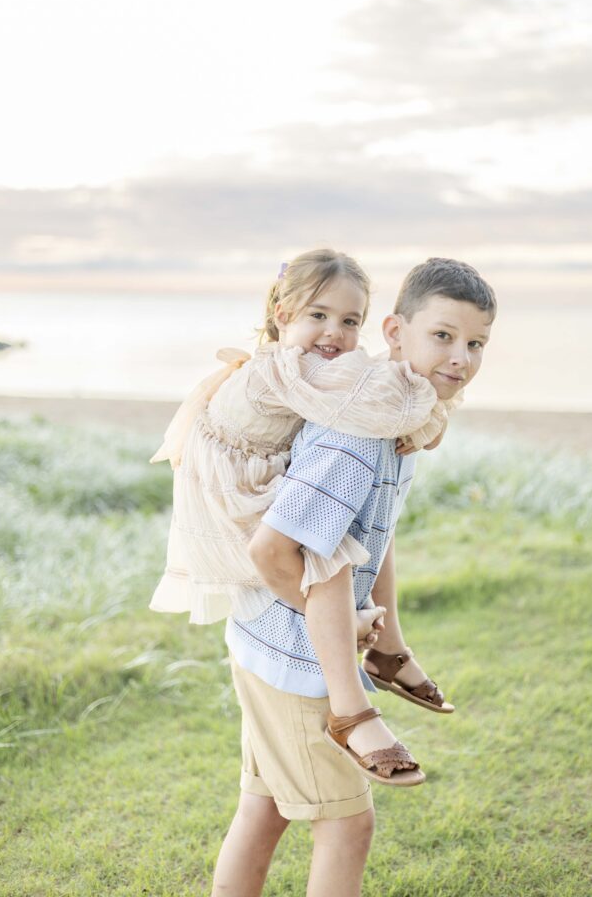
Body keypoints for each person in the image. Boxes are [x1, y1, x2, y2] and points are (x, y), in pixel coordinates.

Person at [211, 256, 496, 897]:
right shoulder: (360, 434)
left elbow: (375, 534)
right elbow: (272, 551)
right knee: (347, 826)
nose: (461, 357)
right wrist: (349, 622)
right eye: (443, 336)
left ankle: (388, 660)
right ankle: (356, 709)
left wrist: (387, 636)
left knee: (264, 810)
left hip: (270, 643)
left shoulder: (397, 418)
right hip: (299, 659)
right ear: (395, 333)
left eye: (476, 343)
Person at [149, 249, 459, 784]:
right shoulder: (287, 368)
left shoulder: (304, 364)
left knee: (366, 524)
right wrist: (422, 402)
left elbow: (361, 390)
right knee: (327, 555)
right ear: (282, 315)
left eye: (349, 321)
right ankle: (350, 708)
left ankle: (387, 649)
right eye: (318, 315)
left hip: (252, 480)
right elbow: (366, 403)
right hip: (233, 500)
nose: (333, 333)